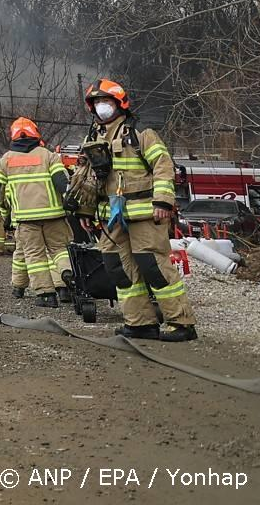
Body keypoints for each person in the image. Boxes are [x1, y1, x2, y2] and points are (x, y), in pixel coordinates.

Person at [68, 78, 196, 341]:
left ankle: (181, 324)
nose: (101, 107)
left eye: (106, 102)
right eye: (96, 103)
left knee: (153, 266)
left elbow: (163, 166)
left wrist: (163, 201)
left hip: (145, 214)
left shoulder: (141, 134)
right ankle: (140, 324)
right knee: (118, 269)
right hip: (110, 219)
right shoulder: (93, 138)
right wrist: (85, 211)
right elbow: (87, 178)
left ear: (119, 103)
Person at [0, 117, 73, 308]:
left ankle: (45, 295)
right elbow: (62, 183)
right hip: (55, 216)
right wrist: (70, 205)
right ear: (36, 133)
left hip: (26, 219)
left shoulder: (6, 160)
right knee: (59, 250)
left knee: (35, 255)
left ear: (14, 136)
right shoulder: (48, 155)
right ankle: (67, 274)